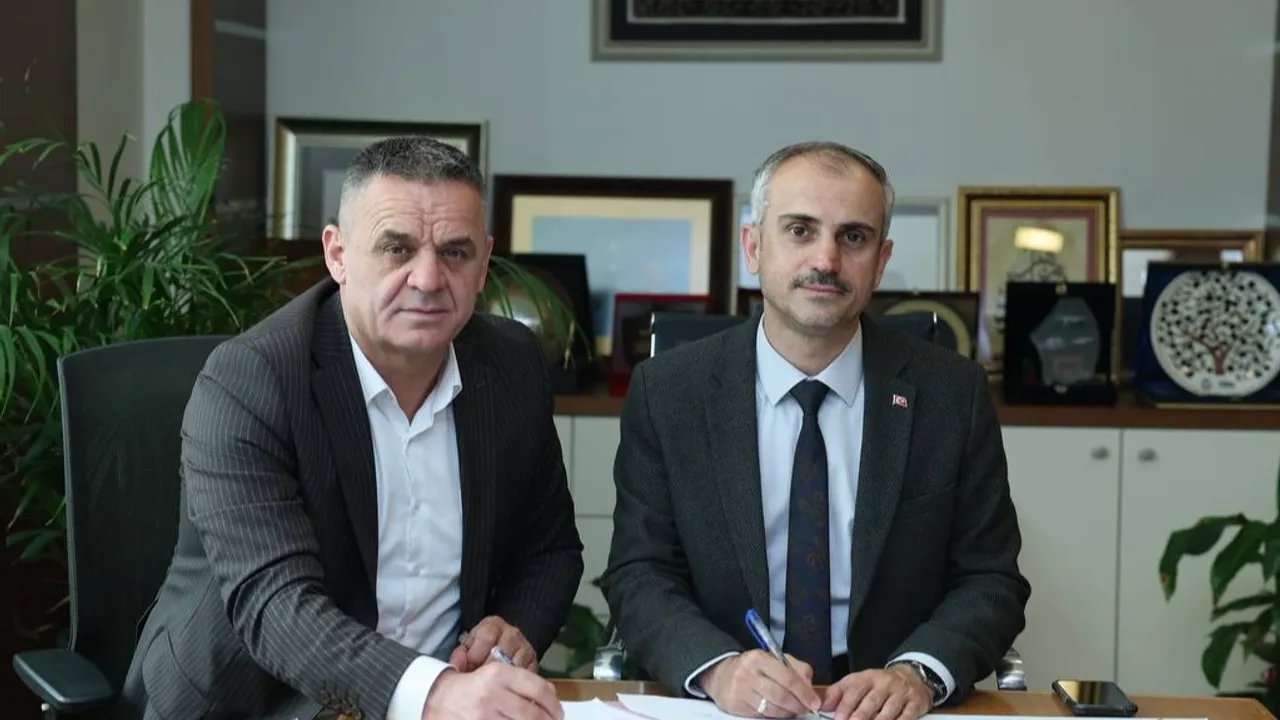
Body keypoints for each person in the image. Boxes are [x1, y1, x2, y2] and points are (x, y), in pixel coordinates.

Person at [121, 137, 584, 720]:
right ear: (337, 254)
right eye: (396, 248)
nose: (428, 278)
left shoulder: (511, 364)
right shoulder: (251, 380)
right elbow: (276, 606)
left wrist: (509, 630)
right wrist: (434, 694)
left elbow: (549, 549)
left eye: (455, 252)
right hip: (258, 705)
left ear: (484, 262)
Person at [600, 141, 1030, 720]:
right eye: (800, 231)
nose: (826, 259)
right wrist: (719, 669)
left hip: (889, 709)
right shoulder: (669, 392)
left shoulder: (950, 394)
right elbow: (640, 572)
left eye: (853, 237)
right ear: (754, 247)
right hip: (730, 707)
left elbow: (990, 578)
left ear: (881, 260)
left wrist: (917, 672)